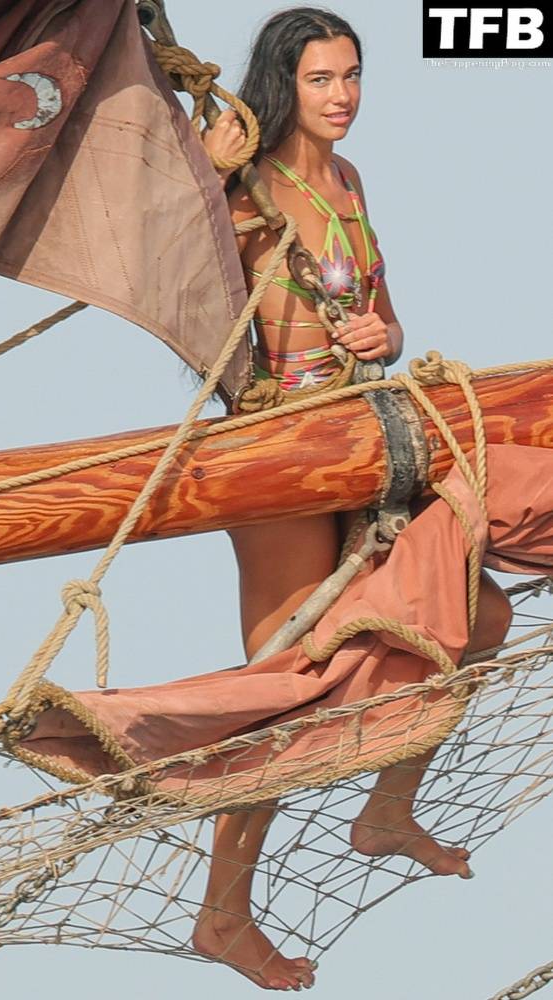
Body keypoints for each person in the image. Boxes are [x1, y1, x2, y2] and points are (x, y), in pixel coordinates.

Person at [191, 7, 513, 992]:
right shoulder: (239, 175)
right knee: (287, 683)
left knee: (479, 614)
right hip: (271, 447)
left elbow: (383, 312)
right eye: (323, 80)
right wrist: (207, 165)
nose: (342, 97)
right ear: (286, 82)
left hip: (365, 434)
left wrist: (383, 335)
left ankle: (384, 809)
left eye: (353, 77)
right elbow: (172, 247)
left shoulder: (348, 181)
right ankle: (223, 915)